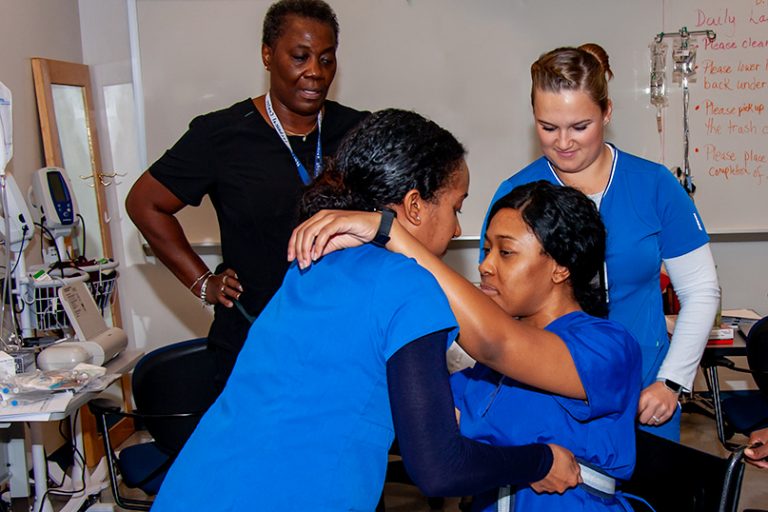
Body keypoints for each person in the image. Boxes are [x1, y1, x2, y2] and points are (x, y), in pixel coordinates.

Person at [151, 110, 581, 512]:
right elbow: (439, 468)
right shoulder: (410, 286)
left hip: (195, 487)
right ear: (415, 206)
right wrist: (540, 461)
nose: (456, 229)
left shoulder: (314, 264)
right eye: (456, 208)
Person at [290, 181, 642, 511]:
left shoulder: (608, 348)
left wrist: (390, 233)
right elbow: (423, 426)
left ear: (561, 267)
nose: (485, 265)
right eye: (487, 250)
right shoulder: (483, 377)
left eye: (506, 252)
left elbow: (497, 342)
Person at [125, 0, 367, 391]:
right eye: (300, 57)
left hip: (345, 344)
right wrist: (203, 282)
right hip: (254, 345)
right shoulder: (222, 135)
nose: (315, 72)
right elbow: (144, 203)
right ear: (267, 55)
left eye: (326, 59)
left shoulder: (360, 131)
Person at [481, 44, 720, 441]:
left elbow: (700, 290)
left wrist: (672, 381)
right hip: (545, 398)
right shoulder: (516, 194)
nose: (563, 142)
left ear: (607, 112)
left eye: (580, 127)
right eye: (548, 127)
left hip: (645, 396)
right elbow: (494, 304)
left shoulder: (654, 185)